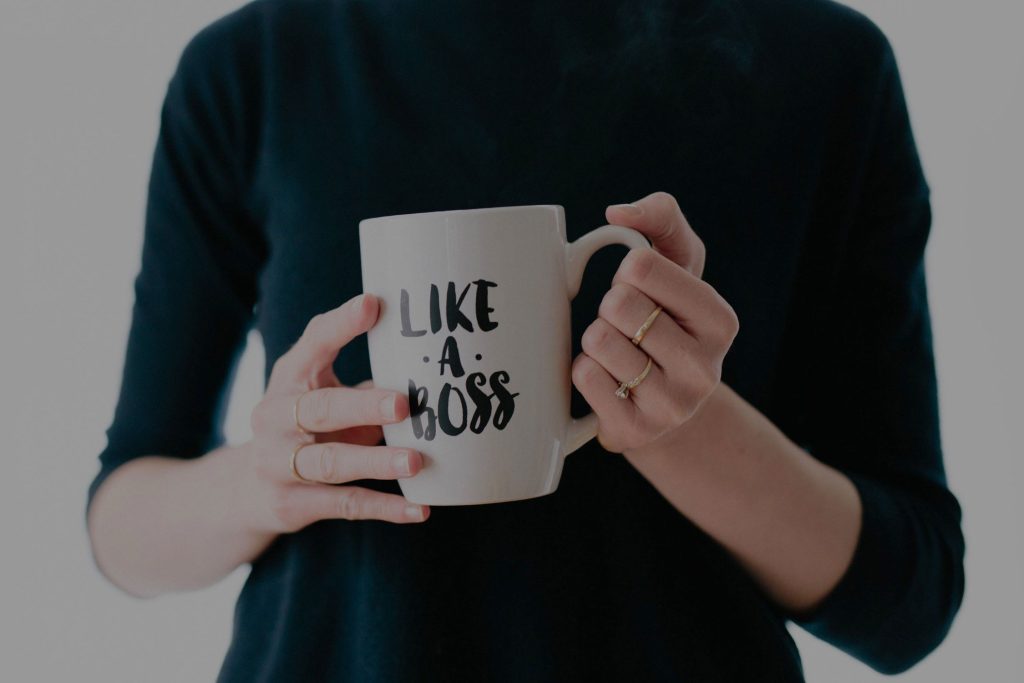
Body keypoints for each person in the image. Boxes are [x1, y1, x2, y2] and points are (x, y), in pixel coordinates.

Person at [85, 1, 965, 680]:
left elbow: (908, 598)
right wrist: (265, 480)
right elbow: (121, 521)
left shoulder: (824, 68)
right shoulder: (253, 67)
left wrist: (682, 427)